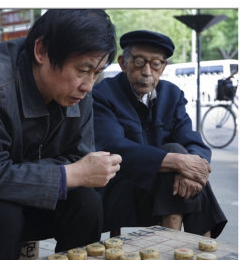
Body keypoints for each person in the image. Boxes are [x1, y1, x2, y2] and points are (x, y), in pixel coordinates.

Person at [0, 9, 122, 260]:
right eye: (82, 70)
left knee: (86, 200)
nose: (88, 86)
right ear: (42, 51)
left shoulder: (82, 93)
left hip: (30, 199)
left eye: (97, 72)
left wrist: (74, 173)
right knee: (2, 210)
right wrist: (68, 173)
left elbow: (79, 156)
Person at [92, 29, 227, 238]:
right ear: (123, 63)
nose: (147, 71)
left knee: (183, 161)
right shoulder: (104, 95)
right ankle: (200, 248)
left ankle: (182, 245)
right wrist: (176, 162)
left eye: (156, 64)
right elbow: (113, 147)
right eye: (139, 62)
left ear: (163, 67)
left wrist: (193, 170)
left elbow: (191, 139)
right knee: (174, 157)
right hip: (122, 191)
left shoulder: (172, 95)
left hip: (166, 191)